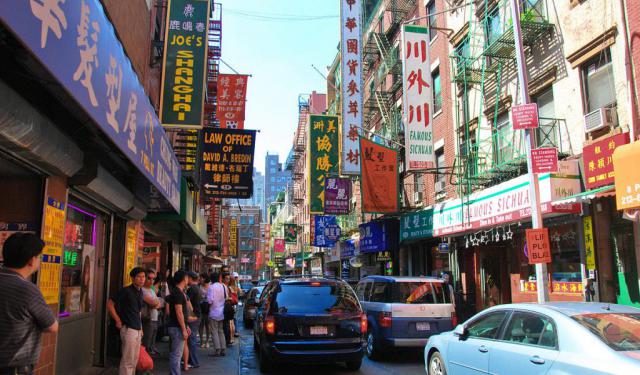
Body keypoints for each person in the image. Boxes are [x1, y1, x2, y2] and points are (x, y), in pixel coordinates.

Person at [0, 233, 58, 375]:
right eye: (40, 257)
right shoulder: (27, 290)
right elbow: (52, 326)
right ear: (32, 260)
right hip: (14, 366)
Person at [107, 267, 146, 375]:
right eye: (139, 277)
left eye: (143, 277)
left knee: (134, 360)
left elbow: (138, 312)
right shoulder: (126, 291)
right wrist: (117, 320)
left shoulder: (140, 292)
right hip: (128, 328)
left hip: (137, 329)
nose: (142, 279)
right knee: (127, 360)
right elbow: (110, 304)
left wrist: (141, 328)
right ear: (133, 278)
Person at [165, 270, 190, 375]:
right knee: (176, 354)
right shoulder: (178, 293)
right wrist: (183, 328)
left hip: (176, 326)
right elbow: (179, 312)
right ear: (184, 278)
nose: (188, 279)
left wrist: (186, 326)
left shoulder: (177, 291)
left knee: (176, 354)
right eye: (187, 277)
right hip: (176, 327)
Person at [141, 269, 162, 355]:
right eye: (149, 278)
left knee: (151, 342)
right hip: (147, 319)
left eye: (153, 279)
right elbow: (153, 303)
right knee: (146, 342)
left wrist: (156, 304)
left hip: (154, 318)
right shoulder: (142, 290)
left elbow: (159, 304)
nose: (151, 281)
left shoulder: (151, 290)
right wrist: (156, 303)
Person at [206, 272, 227, 356]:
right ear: (219, 278)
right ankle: (223, 349)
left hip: (214, 312)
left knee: (214, 331)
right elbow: (226, 298)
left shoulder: (211, 287)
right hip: (222, 312)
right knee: (221, 331)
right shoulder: (223, 286)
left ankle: (217, 349)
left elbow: (210, 300)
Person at [185, 272, 201, 369]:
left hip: (194, 316)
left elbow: (187, 302)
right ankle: (192, 360)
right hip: (197, 315)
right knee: (192, 339)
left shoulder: (192, 289)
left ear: (190, 278)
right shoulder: (197, 288)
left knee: (191, 339)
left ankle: (194, 361)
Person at [198, 275, 212, 348]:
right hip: (200, 306)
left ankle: (207, 341)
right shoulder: (199, 286)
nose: (200, 279)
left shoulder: (211, 286)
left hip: (208, 307)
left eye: (201, 278)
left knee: (207, 325)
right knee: (201, 324)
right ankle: (201, 341)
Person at [227, 276, 240, 342]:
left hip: (230, 305)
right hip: (236, 305)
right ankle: (234, 335)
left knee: (230, 322)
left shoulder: (228, 288)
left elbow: (228, 297)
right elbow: (240, 294)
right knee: (234, 320)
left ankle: (231, 338)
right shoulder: (236, 288)